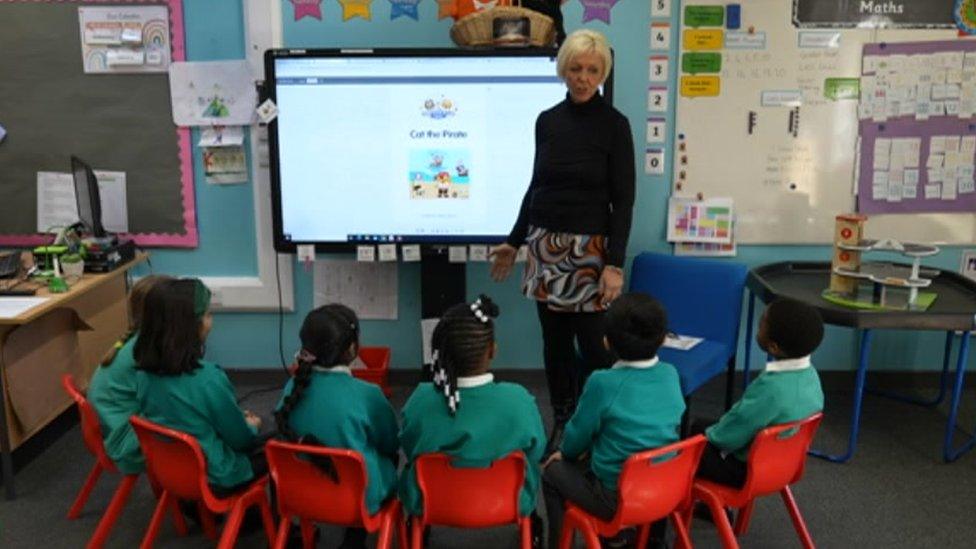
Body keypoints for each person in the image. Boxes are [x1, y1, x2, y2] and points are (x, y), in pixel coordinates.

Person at [490, 28, 636, 454]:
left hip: (591, 253)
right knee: (554, 346)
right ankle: (563, 420)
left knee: (593, 347)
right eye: (575, 68)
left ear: (603, 72)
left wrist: (615, 263)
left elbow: (624, 201)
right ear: (563, 69)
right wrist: (514, 241)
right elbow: (536, 186)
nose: (583, 77)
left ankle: (599, 424)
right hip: (545, 248)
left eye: (592, 70)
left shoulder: (615, 125)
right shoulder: (547, 121)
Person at [398, 295, 546, 543]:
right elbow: (536, 449)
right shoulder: (519, 400)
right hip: (510, 501)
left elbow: (410, 447)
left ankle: (418, 531)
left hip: (429, 500)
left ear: (439, 353)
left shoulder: (421, 399)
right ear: (493, 350)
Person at [542, 293, 684, 548]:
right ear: (663, 339)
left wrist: (565, 454)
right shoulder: (671, 374)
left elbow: (577, 436)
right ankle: (652, 539)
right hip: (666, 488)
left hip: (615, 497)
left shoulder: (602, 382)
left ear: (606, 342)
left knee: (552, 472)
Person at [275, 304, 399, 549]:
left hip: (300, 494)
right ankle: (356, 537)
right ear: (353, 348)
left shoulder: (292, 389)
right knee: (389, 458)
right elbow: (390, 442)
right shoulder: (368, 394)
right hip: (358, 498)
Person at [135, 278, 264, 493]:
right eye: (207, 314)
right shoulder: (209, 379)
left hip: (172, 472)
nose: (210, 321)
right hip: (216, 477)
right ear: (190, 327)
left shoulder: (142, 375)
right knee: (276, 449)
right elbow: (240, 440)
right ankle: (267, 523)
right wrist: (252, 425)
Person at [696, 298, 825, 488]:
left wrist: (710, 436)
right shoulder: (810, 375)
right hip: (784, 462)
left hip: (745, 470)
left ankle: (706, 505)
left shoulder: (772, 388)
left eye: (761, 324)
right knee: (700, 426)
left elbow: (734, 429)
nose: (759, 325)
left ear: (773, 347)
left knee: (691, 442)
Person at [88, 274, 171, 475]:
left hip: (113, 431)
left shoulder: (137, 341)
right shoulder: (148, 352)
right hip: (125, 442)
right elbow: (174, 399)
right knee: (200, 430)